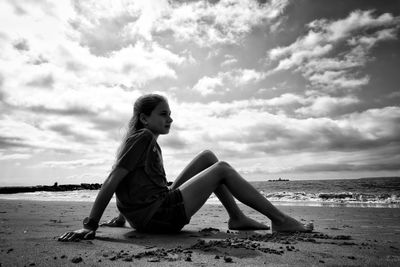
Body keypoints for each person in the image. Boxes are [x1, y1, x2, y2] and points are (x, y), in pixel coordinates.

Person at [58, 94, 313, 241]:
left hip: (149, 214)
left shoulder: (146, 142)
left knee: (208, 157)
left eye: (170, 114)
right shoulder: (144, 137)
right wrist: (90, 225)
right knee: (222, 168)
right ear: (145, 118)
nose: (170, 119)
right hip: (159, 217)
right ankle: (279, 220)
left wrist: (125, 216)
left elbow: (134, 183)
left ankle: (237, 218)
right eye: (163, 114)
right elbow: (113, 180)